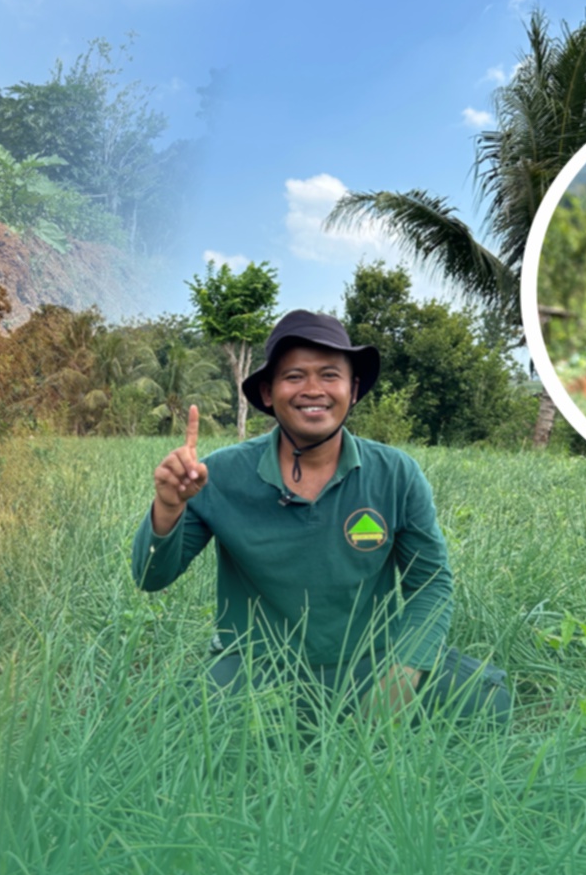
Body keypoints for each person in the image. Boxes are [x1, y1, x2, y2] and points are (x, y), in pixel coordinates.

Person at [130, 310, 510, 729]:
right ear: (269, 392)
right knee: (192, 727)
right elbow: (151, 577)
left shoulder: (396, 474)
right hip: (258, 666)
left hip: (371, 658)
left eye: (330, 375)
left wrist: (404, 670)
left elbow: (432, 583)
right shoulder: (218, 475)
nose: (313, 390)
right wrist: (167, 509)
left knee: (487, 702)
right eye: (294, 376)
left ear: (354, 389)